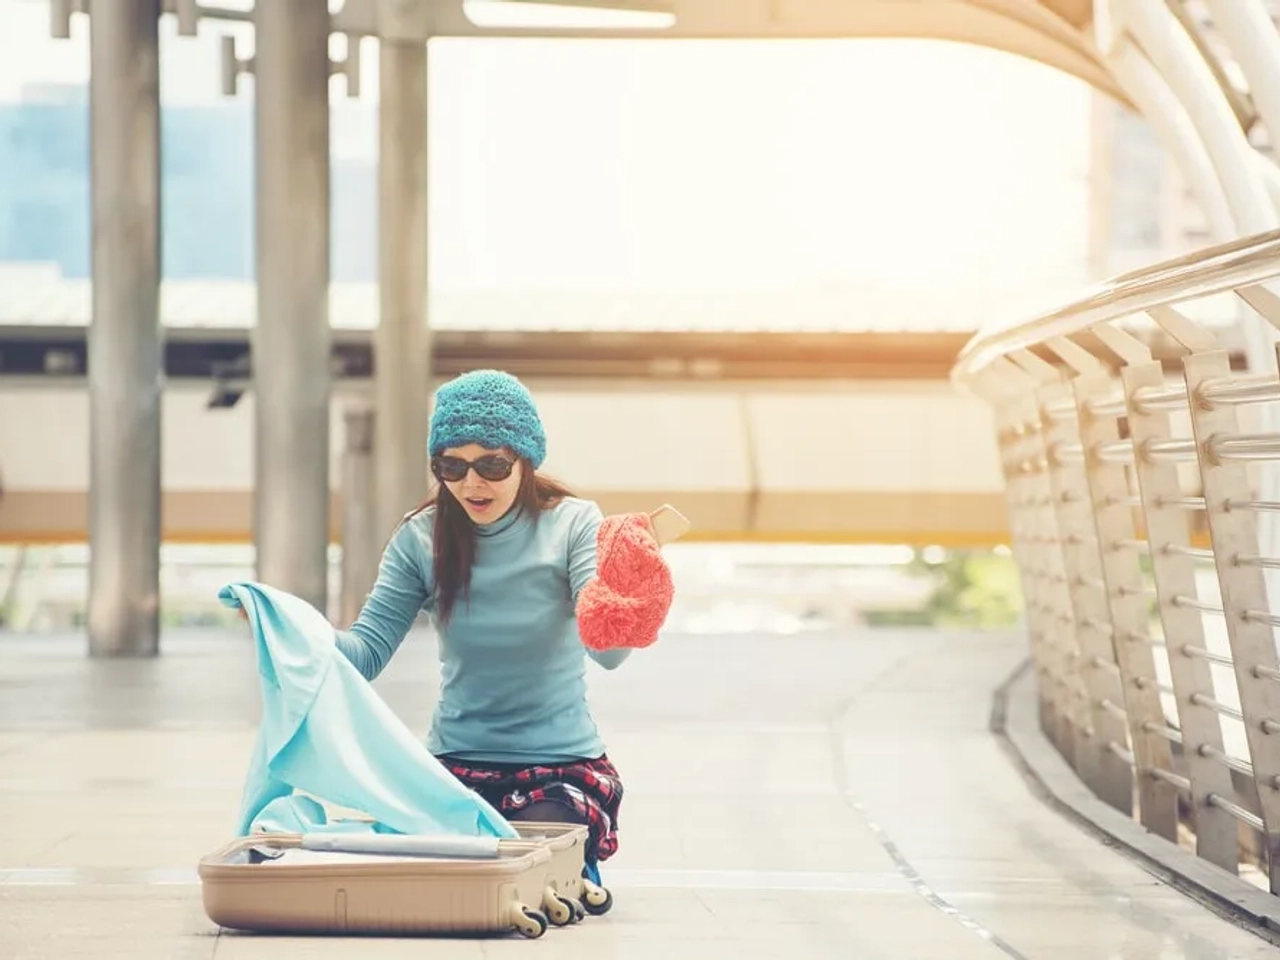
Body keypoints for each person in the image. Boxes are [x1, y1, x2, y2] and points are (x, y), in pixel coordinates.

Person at [334, 369, 675, 886]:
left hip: (561, 769)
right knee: (444, 875)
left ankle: (567, 864)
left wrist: (631, 586)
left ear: (525, 460)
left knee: (523, 860)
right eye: (452, 465)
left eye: (492, 464)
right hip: (454, 767)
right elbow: (363, 655)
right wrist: (285, 623)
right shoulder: (420, 538)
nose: (472, 483)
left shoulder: (574, 524)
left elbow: (606, 652)